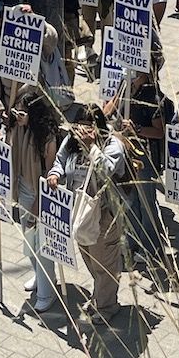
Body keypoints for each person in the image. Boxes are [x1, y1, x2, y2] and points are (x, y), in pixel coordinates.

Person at [48, 102, 129, 321]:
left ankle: (106, 308)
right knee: (90, 258)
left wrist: (92, 147)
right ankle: (102, 296)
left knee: (104, 262)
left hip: (105, 214)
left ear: (99, 127)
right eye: (80, 126)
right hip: (79, 210)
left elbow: (106, 170)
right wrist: (55, 174)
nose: (83, 131)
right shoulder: (71, 141)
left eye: (89, 126)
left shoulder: (112, 146)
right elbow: (61, 160)